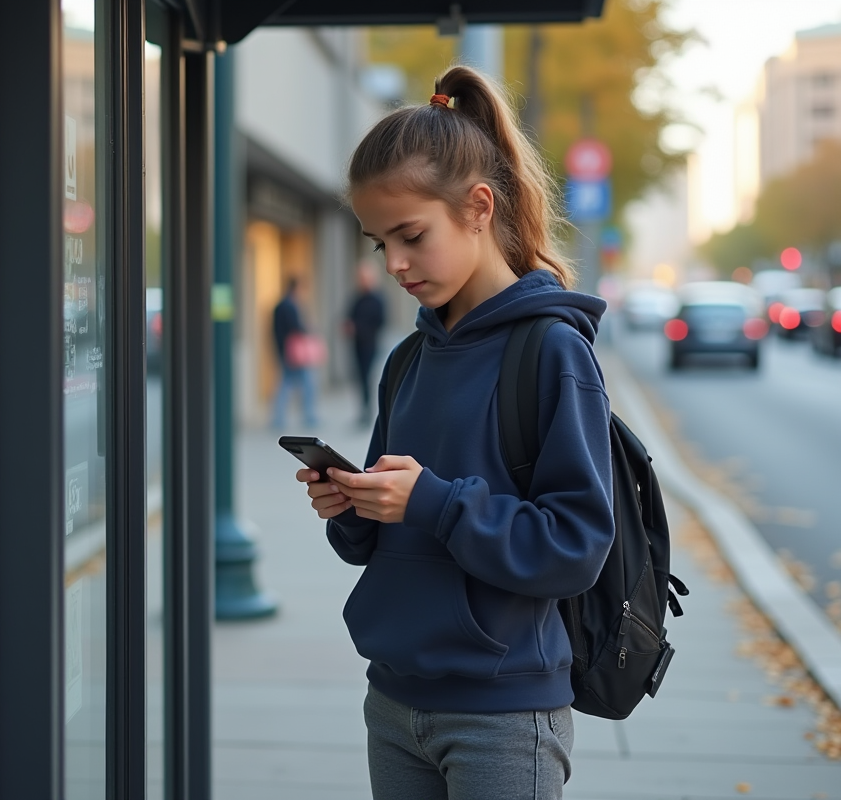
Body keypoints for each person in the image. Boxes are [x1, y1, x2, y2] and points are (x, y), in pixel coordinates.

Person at [293, 66, 615, 800]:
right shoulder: (407, 360)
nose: (395, 264)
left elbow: (576, 547)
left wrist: (432, 502)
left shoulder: (552, 352)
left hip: (502, 715)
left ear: (478, 207)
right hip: (392, 700)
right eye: (378, 244)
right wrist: (351, 508)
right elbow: (378, 539)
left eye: (411, 235)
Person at [343, 259, 387, 426]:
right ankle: (363, 410)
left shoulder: (377, 299)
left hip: (370, 344)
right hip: (357, 344)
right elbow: (349, 315)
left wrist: (359, 328)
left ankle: (367, 411)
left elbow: (380, 322)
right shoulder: (357, 298)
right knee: (360, 378)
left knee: (368, 377)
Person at [271, 276, 319, 428]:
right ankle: (308, 416)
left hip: (286, 351)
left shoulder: (280, 305)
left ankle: (278, 418)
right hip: (294, 353)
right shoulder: (290, 306)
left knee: (286, 385)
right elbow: (296, 327)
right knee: (307, 384)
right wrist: (309, 329)